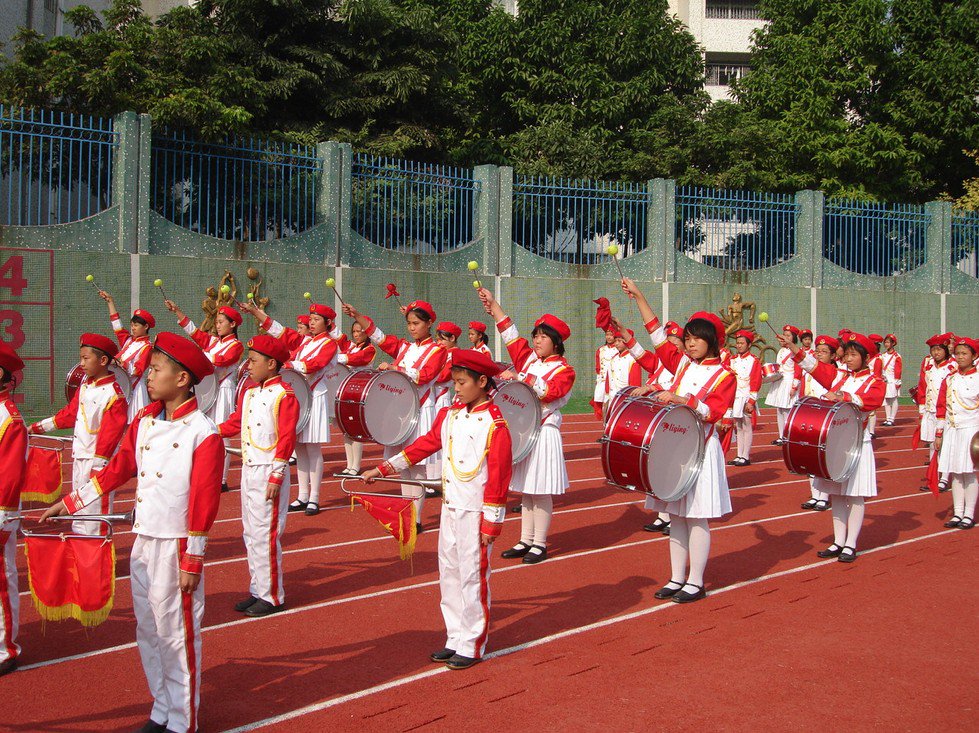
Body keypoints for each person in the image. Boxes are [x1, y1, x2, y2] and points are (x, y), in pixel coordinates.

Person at [42, 332, 224, 733]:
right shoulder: (143, 420)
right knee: (148, 629)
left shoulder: (203, 432)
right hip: (145, 539)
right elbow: (117, 469)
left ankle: (182, 720)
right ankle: (161, 707)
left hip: (177, 545)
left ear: (181, 379)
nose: (147, 376)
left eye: (156, 369)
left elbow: (204, 501)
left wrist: (193, 558)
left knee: (176, 635)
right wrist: (72, 502)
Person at [362, 350, 512, 670]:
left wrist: (491, 524)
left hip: (475, 513)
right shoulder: (450, 415)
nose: (455, 388)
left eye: (461, 382)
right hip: (450, 509)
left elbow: (499, 476)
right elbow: (425, 445)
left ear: (482, 382)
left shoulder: (495, 424)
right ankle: (454, 636)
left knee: (472, 577)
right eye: (454, 382)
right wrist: (384, 469)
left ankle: (473, 642)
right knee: (449, 575)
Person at [620, 278, 735, 603]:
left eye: (698, 338)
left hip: (701, 450)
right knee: (675, 516)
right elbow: (656, 334)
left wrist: (681, 399)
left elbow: (713, 411)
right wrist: (640, 296)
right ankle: (675, 577)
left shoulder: (726, 375)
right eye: (688, 338)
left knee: (696, 516)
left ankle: (695, 581)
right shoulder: (683, 364)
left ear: (713, 341)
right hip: (677, 448)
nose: (691, 343)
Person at [477, 287, 575, 564]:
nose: (537, 341)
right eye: (536, 336)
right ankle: (525, 539)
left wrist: (523, 376)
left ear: (556, 342)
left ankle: (539, 543)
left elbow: (550, 392)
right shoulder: (529, 359)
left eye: (543, 337)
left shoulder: (565, 370)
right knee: (526, 490)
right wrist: (494, 304)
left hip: (544, 432)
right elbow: (510, 334)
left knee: (540, 490)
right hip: (525, 433)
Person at [776, 331, 885, 563]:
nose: (848, 359)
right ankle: (838, 540)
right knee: (835, 495)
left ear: (866, 358)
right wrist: (794, 348)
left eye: (854, 355)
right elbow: (813, 366)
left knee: (855, 496)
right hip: (835, 444)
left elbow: (872, 400)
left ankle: (851, 543)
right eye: (848, 355)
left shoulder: (874, 381)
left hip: (857, 444)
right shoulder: (839, 376)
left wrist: (843, 396)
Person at [343, 298, 447, 529]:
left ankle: (416, 518)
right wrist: (357, 314)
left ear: (429, 323)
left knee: (416, 464)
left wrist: (394, 368)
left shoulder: (438, 350)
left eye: (417, 323)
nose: (412, 328)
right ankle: (407, 514)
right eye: (409, 323)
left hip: (420, 410)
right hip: (400, 410)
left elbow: (424, 375)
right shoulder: (405, 347)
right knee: (402, 465)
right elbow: (378, 336)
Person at [219, 335, 299, 617]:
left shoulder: (285, 395)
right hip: (250, 469)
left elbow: (287, 436)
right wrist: (211, 431)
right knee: (250, 533)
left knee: (266, 534)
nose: (248, 365)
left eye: (253, 361)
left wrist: (278, 473)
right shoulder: (250, 392)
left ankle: (272, 595)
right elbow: (235, 422)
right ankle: (257, 589)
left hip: (269, 470)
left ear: (271, 363)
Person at [243, 301, 341, 515]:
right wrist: (256, 312)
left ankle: (315, 497)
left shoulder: (329, 344)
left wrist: (288, 365)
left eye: (316, 320)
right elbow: (281, 332)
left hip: (315, 395)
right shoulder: (305, 342)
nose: (311, 323)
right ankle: (302, 495)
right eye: (311, 319)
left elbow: (315, 364)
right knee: (299, 447)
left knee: (312, 448)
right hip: (301, 396)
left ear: (328, 323)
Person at [29, 333, 128, 535]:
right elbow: (68, 415)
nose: (81, 363)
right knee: (77, 513)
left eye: (85, 358)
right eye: (80, 358)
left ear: (103, 361)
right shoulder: (85, 386)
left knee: (94, 518)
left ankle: (97, 561)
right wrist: (35, 428)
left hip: (96, 463)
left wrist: (98, 468)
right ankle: (81, 556)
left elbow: (109, 437)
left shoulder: (113, 394)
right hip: (79, 458)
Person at [165, 299, 244, 492]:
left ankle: (222, 479)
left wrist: (198, 355)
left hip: (224, 391)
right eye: (216, 322)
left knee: (221, 433)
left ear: (232, 324)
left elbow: (221, 361)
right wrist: (177, 311)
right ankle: (205, 473)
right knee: (203, 430)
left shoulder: (236, 346)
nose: (217, 326)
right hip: (209, 392)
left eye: (221, 322)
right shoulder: (213, 342)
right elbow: (194, 333)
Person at [0, 341, 27, 677]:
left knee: (2, 579)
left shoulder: (10, 419)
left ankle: (5, 648)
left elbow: (8, 476)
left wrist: (4, 519)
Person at [935, 336, 979, 529]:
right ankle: (958, 512)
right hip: (953, 430)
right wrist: (939, 433)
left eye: (964, 354)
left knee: (970, 473)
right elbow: (942, 406)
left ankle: (969, 513)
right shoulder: (950, 378)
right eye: (957, 353)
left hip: (971, 431)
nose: (960, 357)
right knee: (955, 473)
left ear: (974, 356)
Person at [99, 289, 154, 419]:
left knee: (135, 424)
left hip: (135, 390)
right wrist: (110, 302)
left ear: (145, 327)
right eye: (131, 325)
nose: (133, 328)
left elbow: (138, 370)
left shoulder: (147, 347)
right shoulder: (128, 340)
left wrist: (118, 364)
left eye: (136, 325)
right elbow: (117, 325)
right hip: (122, 385)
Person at [798, 335, 838, 512]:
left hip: (825, 420)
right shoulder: (808, 374)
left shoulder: (835, 374)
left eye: (824, 352)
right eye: (818, 351)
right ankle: (814, 494)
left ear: (833, 356)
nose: (820, 354)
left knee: (825, 459)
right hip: (809, 418)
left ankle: (824, 496)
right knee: (810, 457)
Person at [334, 320, 376, 476]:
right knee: (346, 430)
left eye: (360, 331)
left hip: (359, 391)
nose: (357, 334)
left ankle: (356, 465)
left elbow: (357, 359)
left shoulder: (370, 349)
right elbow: (338, 337)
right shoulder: (350, 346)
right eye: (355, 332)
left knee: (355, 428)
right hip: (346, 390)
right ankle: (349, 464)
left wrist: (336, 358)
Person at [915, 334, 957, 471]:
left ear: (946, 350)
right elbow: (923, 387)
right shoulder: (929, 367)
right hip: (931, 409)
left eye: (939, 349)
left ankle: (944, 476)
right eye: (933, 349)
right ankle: (934, 472)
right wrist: (922, 408)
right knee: (933, 443)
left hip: (946, 412)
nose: (936, 353)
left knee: (945, 444)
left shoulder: (952, 367)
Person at [727, 330, 762, 467]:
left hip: (746, 395)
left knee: (747, 425)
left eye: (742, 343)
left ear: (749, 344)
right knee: (738, 426)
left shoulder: (754, 360)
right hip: (735, 396)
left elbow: (756, 381)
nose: (739, 345)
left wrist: (752, 401)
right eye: (738, 343)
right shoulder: (732, 360)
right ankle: (739, 454)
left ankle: (745, 456)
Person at [765, 325, 801, 444]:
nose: (784, 337)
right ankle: (781, 436)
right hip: (780, 380)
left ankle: (788, 436)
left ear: (793, 338)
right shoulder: (781, 351)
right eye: (784, 335)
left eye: (788, 335)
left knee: (787, 411)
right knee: (779, 410)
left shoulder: (795, 351)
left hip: (789, 382)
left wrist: (794, 387)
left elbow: (798, 370)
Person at [592, 329, 617, 419]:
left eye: (611, 334)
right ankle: (605, 423)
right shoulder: (601, 350)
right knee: (603, 403)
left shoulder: (618, 350)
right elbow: (598, 367)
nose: (609, 337)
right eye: (607, 335)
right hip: (602, 381)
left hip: (614, 381)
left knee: (613, 402)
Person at [879, 334, 902, 426]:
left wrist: (897, 381)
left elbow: (898, 369)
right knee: (886, 399)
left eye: (888, 342)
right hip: (885, 379)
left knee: (893, 399)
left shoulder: (897, 356)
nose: (886, 344)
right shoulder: (883, 355)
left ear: (893, 343)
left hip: (892, 380)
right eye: (885, 342)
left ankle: (892, 419)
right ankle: (888, 418)